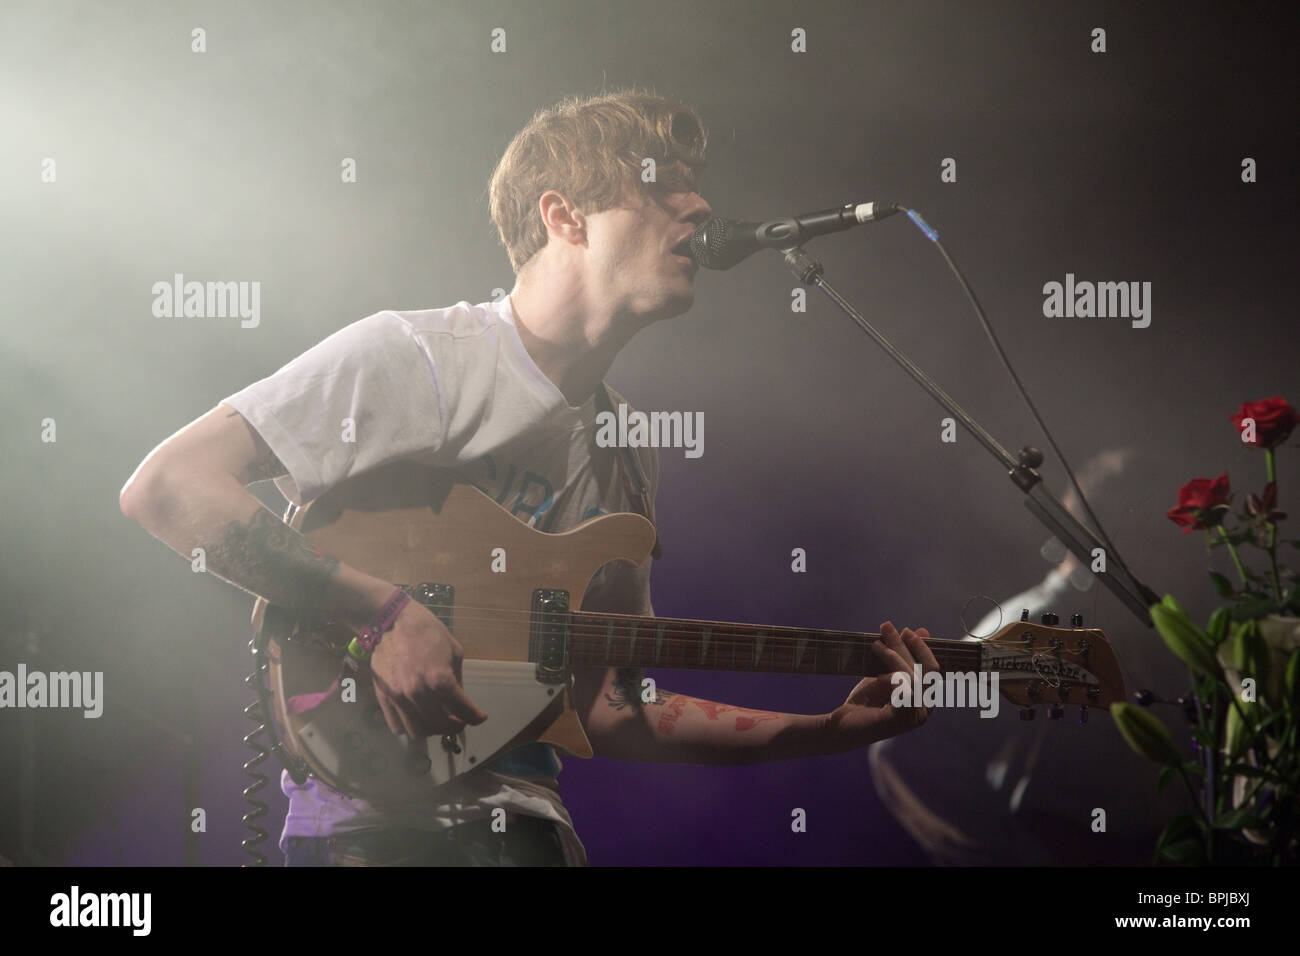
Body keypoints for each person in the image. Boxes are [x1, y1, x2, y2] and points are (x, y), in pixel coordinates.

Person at [118, 88, 939, 866]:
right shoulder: (417, 359)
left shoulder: (626, 445)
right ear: (562, 215)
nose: (697, 209)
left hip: (530, 829)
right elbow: (169, 487)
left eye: (696, 192)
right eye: (661, 189)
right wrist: (381, 614)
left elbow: (611, 706)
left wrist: (830, 728)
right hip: (374, 834)